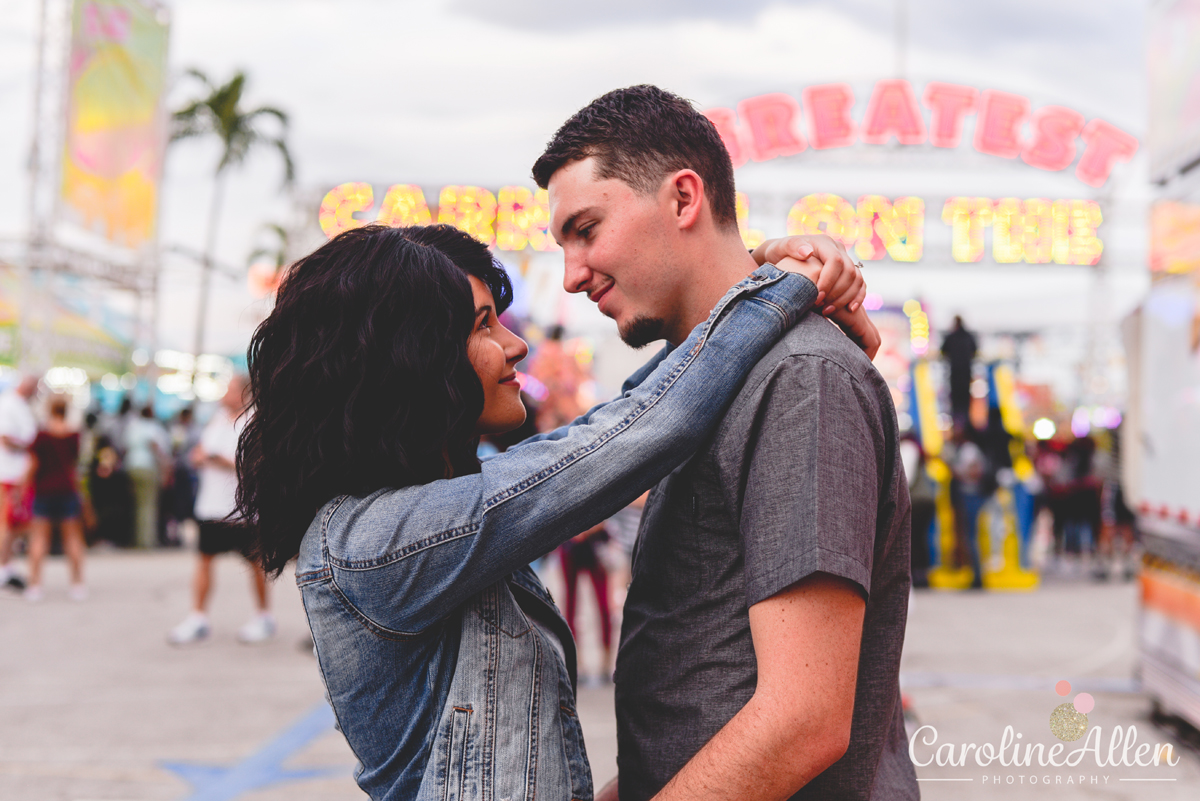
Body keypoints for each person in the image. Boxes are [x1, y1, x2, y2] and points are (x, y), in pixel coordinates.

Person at [237, 222, 871, 801]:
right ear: (409, 359)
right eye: (483, 325)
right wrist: (777, 285)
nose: (515, 346)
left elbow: (625, 414)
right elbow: (638, 430)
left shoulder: (427, 513)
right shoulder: (378, 539)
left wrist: (748, 275)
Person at [531, 84, 915, 800]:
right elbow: (713, 684)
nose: (573, 274)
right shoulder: (706, 387)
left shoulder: (798, 378)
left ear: (683, 200)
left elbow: (802, 717)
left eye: (586, 228)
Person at [168, 376, 273, 645]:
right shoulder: (217, 419)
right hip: (211, 504)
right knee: (204, 559)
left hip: (241, 508)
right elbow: (200, 451)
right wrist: (202, 457)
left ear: (243, 394)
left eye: (229, 390)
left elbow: (254, 465)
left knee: (254, 563)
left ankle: (263, 616)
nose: (223, 394)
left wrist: (218, 460)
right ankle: (198, 617)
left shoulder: (253, 422)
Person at [25, 395, 87, 602]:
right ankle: (77, 584)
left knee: (39, 538)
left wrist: (23, 485)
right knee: (73, 539)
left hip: (44, 490)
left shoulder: (41, 435)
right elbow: (74, 464)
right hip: (67, 489)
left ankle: (35, 585)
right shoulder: (73, 435)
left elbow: (33, 464)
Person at [0, 374, 38, 590]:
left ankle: (6, 565)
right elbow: (5, 439)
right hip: (9, 474)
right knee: (9, 522)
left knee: (16, 523)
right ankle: (3, 567)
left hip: (17, 474)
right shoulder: (9, 404)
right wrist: (30, 447)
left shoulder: (19, 405)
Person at [124, 405, 170, 548]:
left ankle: (137, 538)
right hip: (148, 467)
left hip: (132, 466)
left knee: (138, 505)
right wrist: (165, 468)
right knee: (148, 505)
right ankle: (147, 540)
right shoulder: (153, 428)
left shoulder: (133, 427)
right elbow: (156, 446)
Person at [941, 315, 977, 429]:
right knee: (965, 403)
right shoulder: (969, 337)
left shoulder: (951, 337)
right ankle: (966, 426)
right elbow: (975, 350)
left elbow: (943, 350)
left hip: (955, 375)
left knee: (955, 403)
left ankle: (957, 427)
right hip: (966, 374)